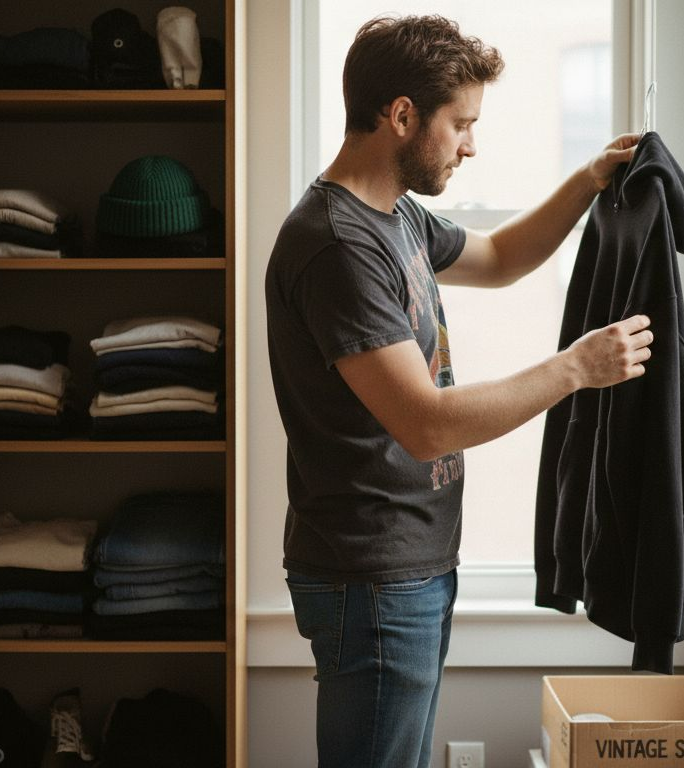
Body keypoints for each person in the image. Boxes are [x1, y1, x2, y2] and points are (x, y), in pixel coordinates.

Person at [264, 14, 653, 768]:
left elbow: (504, 256)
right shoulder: (338, 244)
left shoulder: (394, 217)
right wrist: (575, 367)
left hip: (404, 566)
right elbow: (427, 425)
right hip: (371, 575)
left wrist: (587, 181)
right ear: (401, 115)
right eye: (461, 124)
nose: (471, 145)